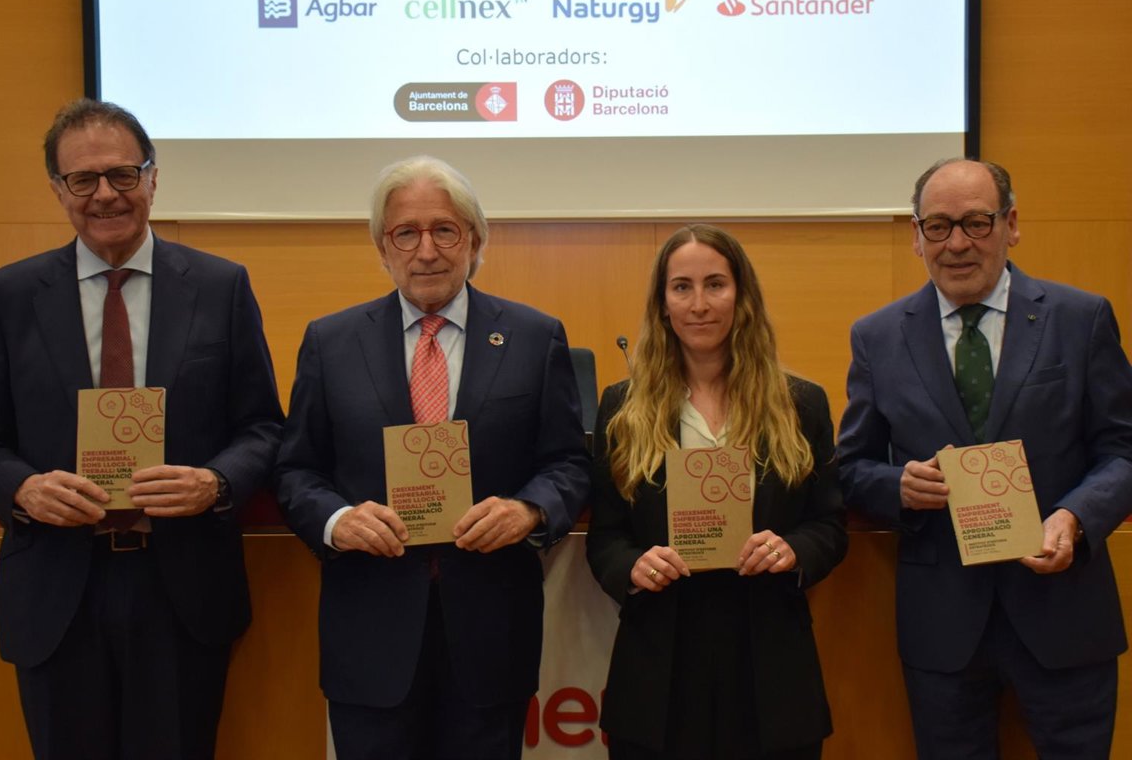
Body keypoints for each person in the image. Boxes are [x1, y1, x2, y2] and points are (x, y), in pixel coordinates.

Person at [0, 98, 285, 759]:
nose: (105, 194)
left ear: (153, 178)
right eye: (83, 179)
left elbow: (264, 427)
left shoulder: (220, 287)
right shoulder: (7, 297)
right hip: (56, 590)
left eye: (123, 174)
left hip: (181, 587)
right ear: (58, 190)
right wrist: (22, 489)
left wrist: (216, 482)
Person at [274, 155, 590, 760]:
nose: (426, 251)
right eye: (406, 233)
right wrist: (338, 521)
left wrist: (528, 510)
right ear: (382, 247)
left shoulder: (534, 337)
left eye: (445, 230)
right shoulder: (330, 342)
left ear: (475, 241)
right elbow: (296, 470)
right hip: (370, 632)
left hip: (491, 632)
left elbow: (569, 463)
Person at [837, 158, 1132, 759]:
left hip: (1065, 612)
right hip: (943, 624)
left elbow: (1122, 449)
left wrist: (1075, 518)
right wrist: (898, 487)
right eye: (939, 226)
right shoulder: (878, 337)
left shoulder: (1081, 319)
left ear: (1010, 224)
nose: (957, 244)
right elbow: (850, 469)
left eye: (976, 222)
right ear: (917, 235)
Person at [586, 224, 848, 760]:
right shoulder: (622, 408)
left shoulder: (800, 404)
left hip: (770, 663)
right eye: (682, 287)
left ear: (741, 295)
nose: (699, 304)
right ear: (662, 304)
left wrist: (794, 550)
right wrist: (632, 566)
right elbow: (605, 536)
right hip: (659, 664)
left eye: (715, 284)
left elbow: (829, 525)